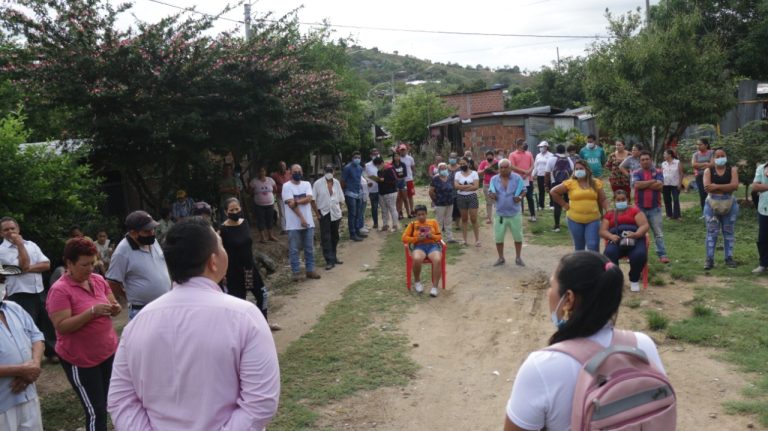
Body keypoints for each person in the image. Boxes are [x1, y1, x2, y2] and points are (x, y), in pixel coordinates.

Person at [108, 218, 280, 430]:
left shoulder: (137, 325)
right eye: (221, 245)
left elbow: (121, 401)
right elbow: (260, 402)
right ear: (213, 261)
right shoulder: (244, 317)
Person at [503, 251, 666, 431]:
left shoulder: (541, 367)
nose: (549, 292)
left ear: (568, 299)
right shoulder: (642, 346)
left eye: (551, 286)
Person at [47, 237, 121, 431]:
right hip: (80, 359)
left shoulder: (98, 280)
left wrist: (115, 308)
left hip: (107, 351)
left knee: (111, 400)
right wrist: (92, 312)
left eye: (92, 263)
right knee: (96, 410)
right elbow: (62, 327)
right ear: (69, 263)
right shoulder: (60, 291)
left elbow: (113, 303)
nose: (90, 269)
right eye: (84, 265)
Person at [0, 217, 57, 363]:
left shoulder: (31, 245)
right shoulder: (2, 251)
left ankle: (52, 353)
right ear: (1, 233)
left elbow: (46, 265)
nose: (10, 232)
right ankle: (29, 357)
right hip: (20, 294)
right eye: (6, 229)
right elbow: (22, 266)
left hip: (39, 290)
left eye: (12, 228)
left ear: (18, 229)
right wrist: (19, 245)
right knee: (25, 327)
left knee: (47, 323)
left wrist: (24, 269)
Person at [105, 211, 171, 320]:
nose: (152, 233)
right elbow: (112, 282)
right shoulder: (122, 252)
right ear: (133, 233)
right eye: (147, 231)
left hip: (164, 306)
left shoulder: (153, 241)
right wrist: (128, 297)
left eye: (153, 229)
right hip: (142, 310)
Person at [0, 276, 45, 431]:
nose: (2, 285)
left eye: (2, 280)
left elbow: (36, 336)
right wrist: (20, 370)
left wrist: (34, 365)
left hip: (28, 394)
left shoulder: (13, 308)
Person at [550, 161, 608, 252]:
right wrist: (564, 204)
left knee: (593, 245)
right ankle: (580, 262)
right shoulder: (570, 183)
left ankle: (595, 261)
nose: (578, 171)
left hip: (593, 219)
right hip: (574, 219)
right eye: (576, 169)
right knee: (579, 247)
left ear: (587, 170)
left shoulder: (596, 183)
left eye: (581, 169)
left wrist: (609, 211)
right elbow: (553, 192)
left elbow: (603, 199)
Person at [600, 190, 650, 292]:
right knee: (609, 253)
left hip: (635, 238)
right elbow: (602, 231)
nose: (621, 202)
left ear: (627, 200)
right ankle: (616, 280)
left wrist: (636, 234)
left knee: (639, 255)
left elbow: (644, 225)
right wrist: (610, 236)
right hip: (616, 239)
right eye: (618, 200)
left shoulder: (635, 211)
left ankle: (634, 279)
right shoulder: (610, 214)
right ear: (614, 201)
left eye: (623, 199)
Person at [703, 148, 740, 270]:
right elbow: (707, 188)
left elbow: (735, 186)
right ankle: (709, 259)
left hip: (730, 205)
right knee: (711, 232)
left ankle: (729, 258)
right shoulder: (708, 171)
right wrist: (726, 187)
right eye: (717, 156)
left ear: (726, 156)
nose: (720, 158)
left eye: (722, 155)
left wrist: (716, 187)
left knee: (729, 232)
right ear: (713, 158)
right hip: (711, 205)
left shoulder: (732, 170)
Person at [282, 164, 321, 281]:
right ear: (290, 173)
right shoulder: (286, 186)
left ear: (302, 172)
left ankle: (310, 270)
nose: (297, 173)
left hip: (308, 223)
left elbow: (309, 198)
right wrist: (302, 218)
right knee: (294, 250)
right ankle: (296, 272)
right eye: (294, 172)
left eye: (299, 171)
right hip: (293, 224)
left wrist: (297, 201)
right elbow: (291, 205)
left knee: (309, 248)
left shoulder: (307, 184)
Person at [633, 151, 671, 264]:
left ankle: (662, 255)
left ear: (651, 160)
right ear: (640, 162)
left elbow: (659, 186)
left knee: (658, 233)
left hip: (655, 207)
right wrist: (652, 181)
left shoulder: (658, 171)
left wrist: (644, 184)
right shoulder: (636, 172)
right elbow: (636, 185)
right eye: (643, 159)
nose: (645, 161)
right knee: (639, 232)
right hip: (640, 208)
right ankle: (637, 253)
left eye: (647, 159)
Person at [488, 159, 526, 267]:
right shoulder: (494, 179)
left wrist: (519, 197)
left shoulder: (517, 178)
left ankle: (518, 257)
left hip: (514, 213)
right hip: (500, 213)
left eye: (506, 167)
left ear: (510, 168)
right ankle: (501, 258)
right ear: (499, 169)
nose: (503, 169)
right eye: (501, 167)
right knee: (498, 237)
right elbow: (490, 191)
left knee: (518, 236)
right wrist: (492, 195)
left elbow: (524, 190)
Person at [401, 205, 443, 297]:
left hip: (432, 246)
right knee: (417, 258)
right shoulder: (412, 224)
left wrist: (432, 236)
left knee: (437, 259)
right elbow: (404, 238)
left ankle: (435, 287)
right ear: (416, 215)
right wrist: (417, 238)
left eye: (423, 214)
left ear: (426, 214)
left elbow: (439, 236)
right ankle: (417, 282)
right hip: (419, 246)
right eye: (419, 215)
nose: (421, 217)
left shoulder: (433, 222)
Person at [312, 165, 345, 269]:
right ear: (324, 171)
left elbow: (341, 198)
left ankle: (334, 257)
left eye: (331, 170)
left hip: (335, 213)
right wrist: (317, 214)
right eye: (327, 170)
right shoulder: (317, 184)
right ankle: (329, 260)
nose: (329, 172)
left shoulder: (336, 182)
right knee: (326, 237)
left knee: (335, 236)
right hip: (324, 213)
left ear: (334, 171)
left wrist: (339, 211)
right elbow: (313, 200)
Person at [545, 144, 574, 233]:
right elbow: (573, 170)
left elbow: (547, 173)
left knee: (557, 204)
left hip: (555, 183)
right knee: (569, 203)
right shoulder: (568, 159)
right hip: (567, 184)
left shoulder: (551, 159)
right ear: (564, 150)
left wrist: (546, 185)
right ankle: (571, 224)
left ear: (556, 150)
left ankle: (557, 226)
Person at [454, 157, 481, 246]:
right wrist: (469, 185)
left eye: (464, 163)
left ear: (468, 163)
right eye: (461, 164)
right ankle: (464, 240)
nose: (462, 165)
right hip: (461, 197)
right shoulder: (457, 174)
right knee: (464, 219)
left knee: (474, 218)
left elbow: (476, 186)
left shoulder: (474, 173)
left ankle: (477, 240)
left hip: (472, 196)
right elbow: (456, 186)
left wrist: (462, 187)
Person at [248, 166, 279, 243]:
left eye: (263, 171)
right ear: (258, 173)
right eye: (260, 171)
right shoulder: (254, 181)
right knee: (260, 220)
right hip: (259, 205)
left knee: (270, 220)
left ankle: (270, 235)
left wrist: (270, 196)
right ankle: (262, 237)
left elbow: (275, 189)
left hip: (270, 204)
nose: (261, 173)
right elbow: (250, 191)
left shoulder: (270, 180)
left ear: (265, 172)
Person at [509, 139, 536, 222]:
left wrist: (527, 173)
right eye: (524, 144)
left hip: (528, 179)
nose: (525, 145)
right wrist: (524, 171)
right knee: (517, 197)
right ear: (518, 145)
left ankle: (533, 215)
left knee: (530, 197)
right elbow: (512, 166)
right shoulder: (512, 154)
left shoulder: (529, 153)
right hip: (517, 180)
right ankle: (516, 215)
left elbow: (532, 165)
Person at [341, 151, 366, 241]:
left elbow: (359, 180)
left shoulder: (360, 168)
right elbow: (342, 181)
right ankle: (352, 233)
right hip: (350, 193)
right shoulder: (347, 168)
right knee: (352, 214)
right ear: (352, 158)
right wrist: (343, 192)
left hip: (358, 193)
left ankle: (357, 231)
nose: (357, 159)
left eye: (359, 158)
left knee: (358, 213)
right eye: (355, 157)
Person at [429, 162, 456, 244]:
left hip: (450, 202)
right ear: (438, 170)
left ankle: (449, 237)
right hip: (440, 203)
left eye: (445, 168)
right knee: (439, 221)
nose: (443, 170)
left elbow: (453, 187)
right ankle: (438, 238)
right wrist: (435, 201)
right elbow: (431, 191)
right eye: (441, 169)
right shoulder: (435, 178)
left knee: (448, 220)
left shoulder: (449, 177)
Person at [752, 161, 768, 273]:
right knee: (763, 238)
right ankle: (763, 264)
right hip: (764, 208)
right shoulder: (761, 168)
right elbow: (755, 186)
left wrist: (764, 187)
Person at [378, 157, 399, 232]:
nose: (377, 166)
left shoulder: (390, 169)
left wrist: (385, 180)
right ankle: (385, 225)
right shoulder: (379, 171)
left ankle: (395, 225)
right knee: (384, 210)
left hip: (391, 192)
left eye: (378, 165)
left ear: (382, 163)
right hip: (382, 193)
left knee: (392, 208)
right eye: (376, 165)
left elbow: (395, 180)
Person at [692, 138, 714, 211]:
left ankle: (713, 210)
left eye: (700, 144)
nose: (698, 146)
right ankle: (704, 212)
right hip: (699, 176)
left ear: (706, 145)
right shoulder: (695, 154)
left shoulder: (712, 152)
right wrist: (706, 163)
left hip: (711, 176)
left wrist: (699, 165)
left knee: (711, 193)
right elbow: (694, 165)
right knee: (702, 194)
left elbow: (712, 164)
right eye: (697, 144)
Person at [661, 149, 684, 221]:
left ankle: (677, 215)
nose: (663, 155)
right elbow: (661, 174)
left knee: (676, 199)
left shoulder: (677, 162)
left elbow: (681, 173)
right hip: (665, 184)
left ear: (670, 155)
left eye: (665, 154)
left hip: (675, 184)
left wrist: (680, 183)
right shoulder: (663, 163)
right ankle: (669, 215)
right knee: (667, 200)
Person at [478, 150, 499, 224]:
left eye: (491, 157)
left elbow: (501, 172)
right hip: (486, 184)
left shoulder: (497, 162)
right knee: (488, 201)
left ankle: (498, 217)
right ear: (486, 157)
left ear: (493, 156)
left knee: (497, 200)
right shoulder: (483, 163)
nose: (489, 158)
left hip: (496, 184)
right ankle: (489, 218)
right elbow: (479, 172)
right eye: (488, 157)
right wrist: (485, 170)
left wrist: (493, 170)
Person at [271, 161, 292, 233]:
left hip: (289, 195)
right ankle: (284, 228)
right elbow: (272, 185)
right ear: (278, 167)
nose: (282, 167)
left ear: (286, 166)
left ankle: (290, 226)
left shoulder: (289, 173)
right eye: (281, 166)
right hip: (280, 195)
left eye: (283, 166)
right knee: (282, 212)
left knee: (290, 211)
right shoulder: (274, 175)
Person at [364, 150, 382, 230]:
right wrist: (367, 181)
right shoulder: (367, 165)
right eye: (374, 154)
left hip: (382, 188)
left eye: (377, 154)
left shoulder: (382, 163)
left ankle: (385, 223)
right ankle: (375, 223)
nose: (376, 155)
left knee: (384, 207)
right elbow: (363, 175)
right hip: (372, 189)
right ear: (370, 155)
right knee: (374, 207)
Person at [533, 141, 554, 211]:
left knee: (550, 189)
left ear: (546, 147)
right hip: (540, 175)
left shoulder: (551, 155)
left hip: (548, 175)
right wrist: (533, 174)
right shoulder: (538, 155)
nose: (541, 148)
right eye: (540, 147)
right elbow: (535, 166)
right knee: (541, 191)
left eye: (542, 147)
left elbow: (552, 166)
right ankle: (541, 205)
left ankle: (552, 204)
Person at [391, 151, 411, 220]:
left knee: (405, 198)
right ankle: (399, 214)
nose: (396, 157)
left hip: (402, 182)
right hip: (395, 183)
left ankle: (409, 213)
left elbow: (405, 174)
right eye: (395, 156)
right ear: (393, 157)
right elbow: (392, 175)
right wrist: (397, 177)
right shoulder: (392, 165)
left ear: (399, 157)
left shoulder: (403, 164)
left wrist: (398, 177)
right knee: (398, 199)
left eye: (397, 156)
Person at [399, 144, 417, 217]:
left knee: (410, 196)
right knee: (401, 197)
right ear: (399, 151)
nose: (403, 151)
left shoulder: (410, 158)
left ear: (406, 150)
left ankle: (412, 210)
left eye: (404, 150)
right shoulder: (398, 158)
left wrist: (413, 177)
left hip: (409, 179)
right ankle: (400, 212)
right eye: (401, 150)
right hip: (401, 180)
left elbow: (413, 168)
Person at [447, 152, 462, 230]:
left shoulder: (460, 168)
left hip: (458, 191)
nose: (452, 159)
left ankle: (457, 224)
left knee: (457, 207)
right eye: (451, 157)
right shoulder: (445, 167)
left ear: (456, 159)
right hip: (448, 191)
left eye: (454, 157)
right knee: (449, 207)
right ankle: (449, 222)